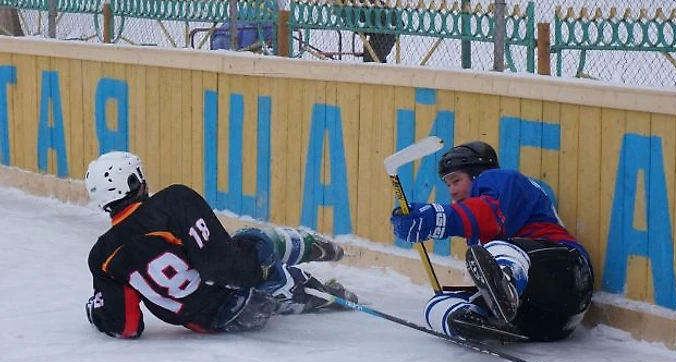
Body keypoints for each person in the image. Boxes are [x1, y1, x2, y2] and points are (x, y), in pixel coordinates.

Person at [84, 151, 356, 339]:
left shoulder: (102, 256)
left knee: (258, 294)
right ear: (131, 182)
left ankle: (316, 297)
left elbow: (127, 326)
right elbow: (221, 265)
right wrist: (260, 275)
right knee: (254, 241)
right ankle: (308, 255)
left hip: (214, 322)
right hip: (240, 289)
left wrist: (96, 310)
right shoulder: (171, 202)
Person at [390, 141, 594, 342]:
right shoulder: (481, 233)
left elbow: (488, 213)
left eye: (456, 180)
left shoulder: (503, 180)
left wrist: (437, 218)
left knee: (497, 251)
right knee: (438, 303)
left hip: (567, 274)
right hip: (543, 321)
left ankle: (507, 285)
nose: (451, 191)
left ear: (477, 173)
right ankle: (472, 322)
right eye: (448, 184)